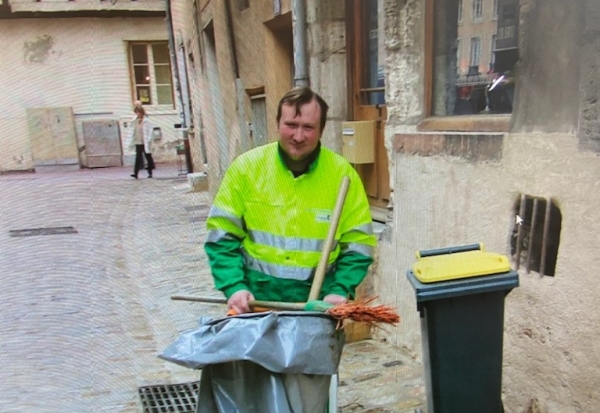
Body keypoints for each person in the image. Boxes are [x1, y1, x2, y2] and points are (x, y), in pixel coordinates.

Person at [205, 86, 376, 314]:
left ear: (321, 130)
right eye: (291, 125)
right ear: (277, 124)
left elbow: (359, 244)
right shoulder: (245, 170)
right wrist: (234, 287)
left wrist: (340, 289)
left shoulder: (342, 175)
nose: (298, 136)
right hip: (257, 304)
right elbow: (221, 237)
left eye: (308, 127)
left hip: (318, 308)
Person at [128, 103, 155, 179]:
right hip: (138, 142)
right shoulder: (134, 121)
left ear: (142, 113)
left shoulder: (147, 121)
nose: (138, 114)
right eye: (136, 112)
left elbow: (150, 131)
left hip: (145, 142)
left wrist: (149, 139)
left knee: (148, 157)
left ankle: (150, 172)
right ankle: (135, 173)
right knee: (138, 157)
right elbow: (132, 129)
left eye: (139, 112)